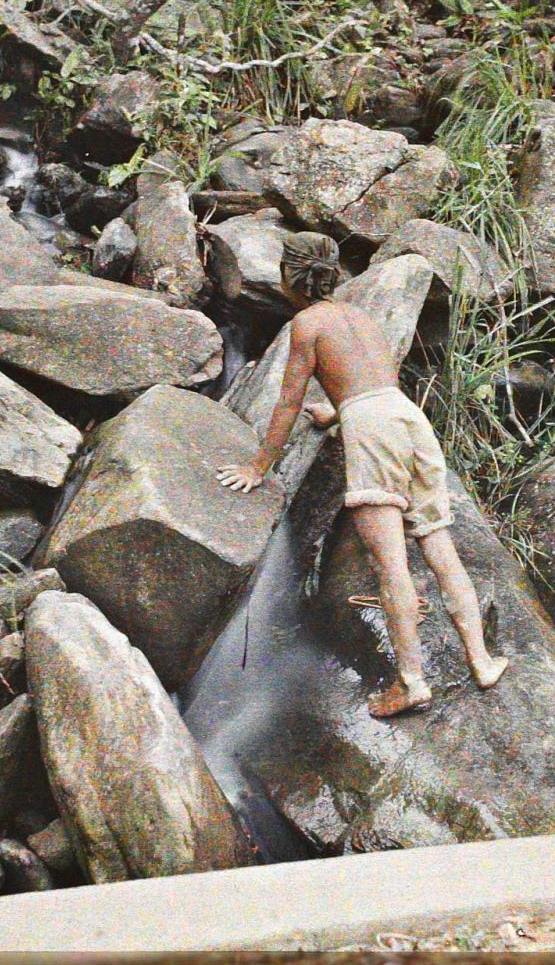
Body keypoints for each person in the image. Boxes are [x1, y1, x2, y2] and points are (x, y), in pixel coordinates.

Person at [217, 231, 509, 716]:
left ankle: (411, 683)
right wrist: (338, 411)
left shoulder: (306, 324)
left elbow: (288, 401)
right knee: (439, 547)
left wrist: (258, 466)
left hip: (372, 430)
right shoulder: (359, 316)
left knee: (390, 563)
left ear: (288, 276)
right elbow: (370, 383)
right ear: (332, 274)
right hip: (408, 419)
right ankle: (481, 661)